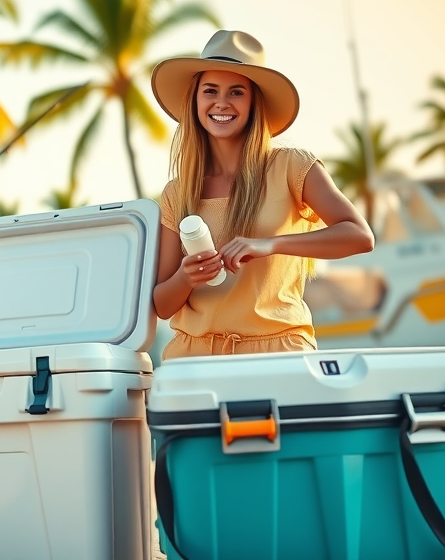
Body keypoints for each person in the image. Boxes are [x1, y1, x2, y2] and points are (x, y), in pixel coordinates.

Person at [149, 30, 374, 360]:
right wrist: (186, 277)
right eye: (210, 90)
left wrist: (270, 244)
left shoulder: (292, 167)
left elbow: (359, 236)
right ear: (195, 100)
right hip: (193, 358)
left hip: (278, 353)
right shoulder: (177, 192)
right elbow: (162, 305)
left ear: (254, 102)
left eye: (236, 92)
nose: (221, 102)